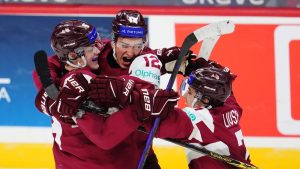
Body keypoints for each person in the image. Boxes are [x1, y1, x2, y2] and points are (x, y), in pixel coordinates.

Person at [92, 62, 252, 169]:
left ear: (205, 99)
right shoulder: (230, 107)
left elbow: (158, 124)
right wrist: (211, 69)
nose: (185, 95)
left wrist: (123, 109)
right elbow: (227, 87)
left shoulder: (199, 120)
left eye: (190, 91)